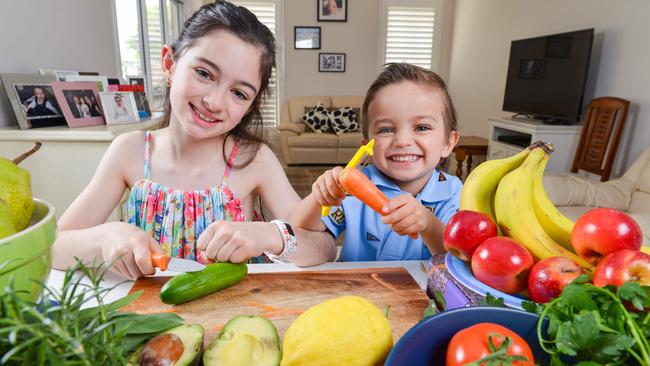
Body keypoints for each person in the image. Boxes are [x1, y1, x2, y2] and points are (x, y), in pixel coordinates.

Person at [52, 0, 334, 279]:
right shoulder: (130, 151)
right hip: (151, 315)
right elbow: (53, 247)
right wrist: (106, 237)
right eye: (204, 73)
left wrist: (271, 235)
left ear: (250, 106)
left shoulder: (255, 159)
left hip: (238, 314)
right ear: (170, 64)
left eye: (239, 93)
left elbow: (324, 247)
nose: (213, 102)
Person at [289, 63, 461, 263]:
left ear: (447, 143)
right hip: (354, 289)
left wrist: (427, 224)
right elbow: (298, 230)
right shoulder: (354, 186)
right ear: (368, 146)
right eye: (386, 130)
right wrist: (320, 197)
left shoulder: (454, 192)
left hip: (422, 293)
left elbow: (457, 260)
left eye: (422, 127)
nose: (402, 141)